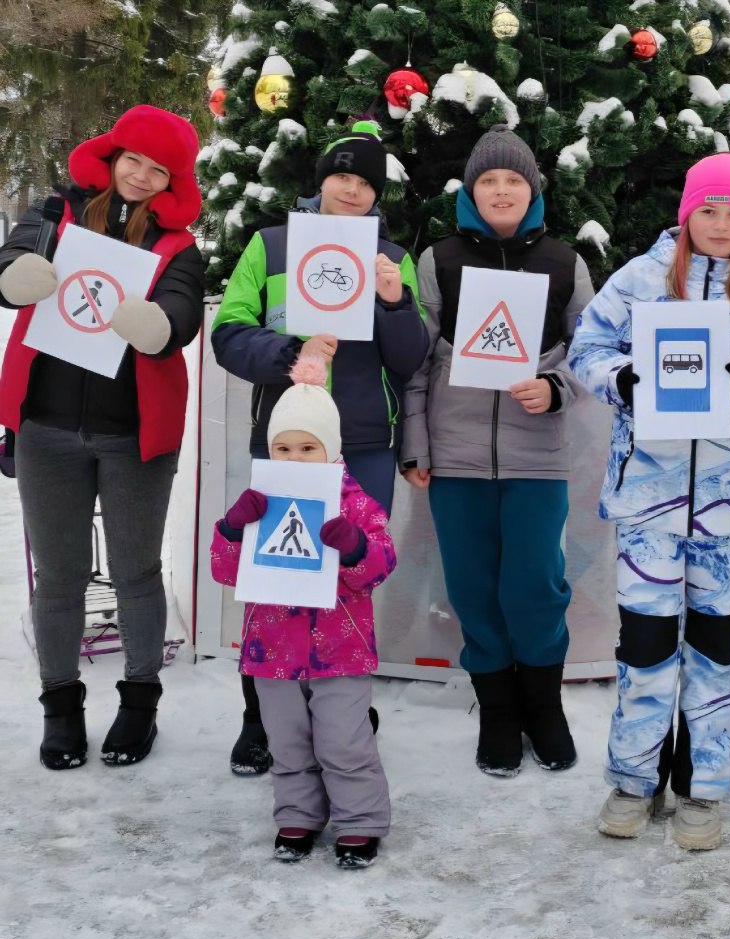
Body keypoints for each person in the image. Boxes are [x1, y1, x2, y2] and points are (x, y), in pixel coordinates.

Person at [569, 153, 730, 850]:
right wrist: (627, 383)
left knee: (714, 652)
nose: (722, 224)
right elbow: (585, 351)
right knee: (645, 651)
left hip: (726, 514)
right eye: (709, 210)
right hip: (649, 505)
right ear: (688, 213)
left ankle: (704, 786)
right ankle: (635, 780)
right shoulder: (639, 281)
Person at [212, 120, 428, 775]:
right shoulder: (271, 246)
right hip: (286, 442)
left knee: (349, 578)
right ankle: (262, 718)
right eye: (342, 176)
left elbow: (411, 357)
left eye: (365, 181)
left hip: (361, 443)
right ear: (321, 181)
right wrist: (286, 355)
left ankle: (344, 705)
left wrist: (394, 303)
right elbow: (227, 332)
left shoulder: (393, 257)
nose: (352, 190)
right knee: (274, 577)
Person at [0, 105, 205, 769]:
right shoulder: (55, 214)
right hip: (48, 430)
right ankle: (61, 709)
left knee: (135, 572)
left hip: (135, 435)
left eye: (159, 169)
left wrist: (161, 324)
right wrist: (13, 275)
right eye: (134, 161)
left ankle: (138, 705)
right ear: (112, 157)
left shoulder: (177, 245)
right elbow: (13, 256)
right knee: (58, 577)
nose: (143, 176)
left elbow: (182, 310)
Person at [399, 125, 595, 777]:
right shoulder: (441, 260)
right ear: (471, 191)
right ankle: (499, 713)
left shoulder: (565, 263)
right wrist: (417, 444)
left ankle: (545, 708)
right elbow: (418, 363)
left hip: (536, 460)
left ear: (533, 190)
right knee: (474, 591)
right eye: (490, 180)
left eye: (515, 180)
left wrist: (555, 387)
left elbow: (594, 352)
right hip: (455, 461)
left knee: (535, 586)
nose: (502, 190)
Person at [210, 355, 395, 868]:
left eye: (308, 448)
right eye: (283, 448)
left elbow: (381, 566)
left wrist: (355, 548)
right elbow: (226, 572)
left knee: (343, 742)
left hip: (340, 648)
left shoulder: (355, 506)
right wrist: (230, 529)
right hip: (271, 653)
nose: (294, 458)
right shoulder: (258, 502)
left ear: (331, 449)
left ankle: (359, 821)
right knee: (287, 742)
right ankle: (297, 814)